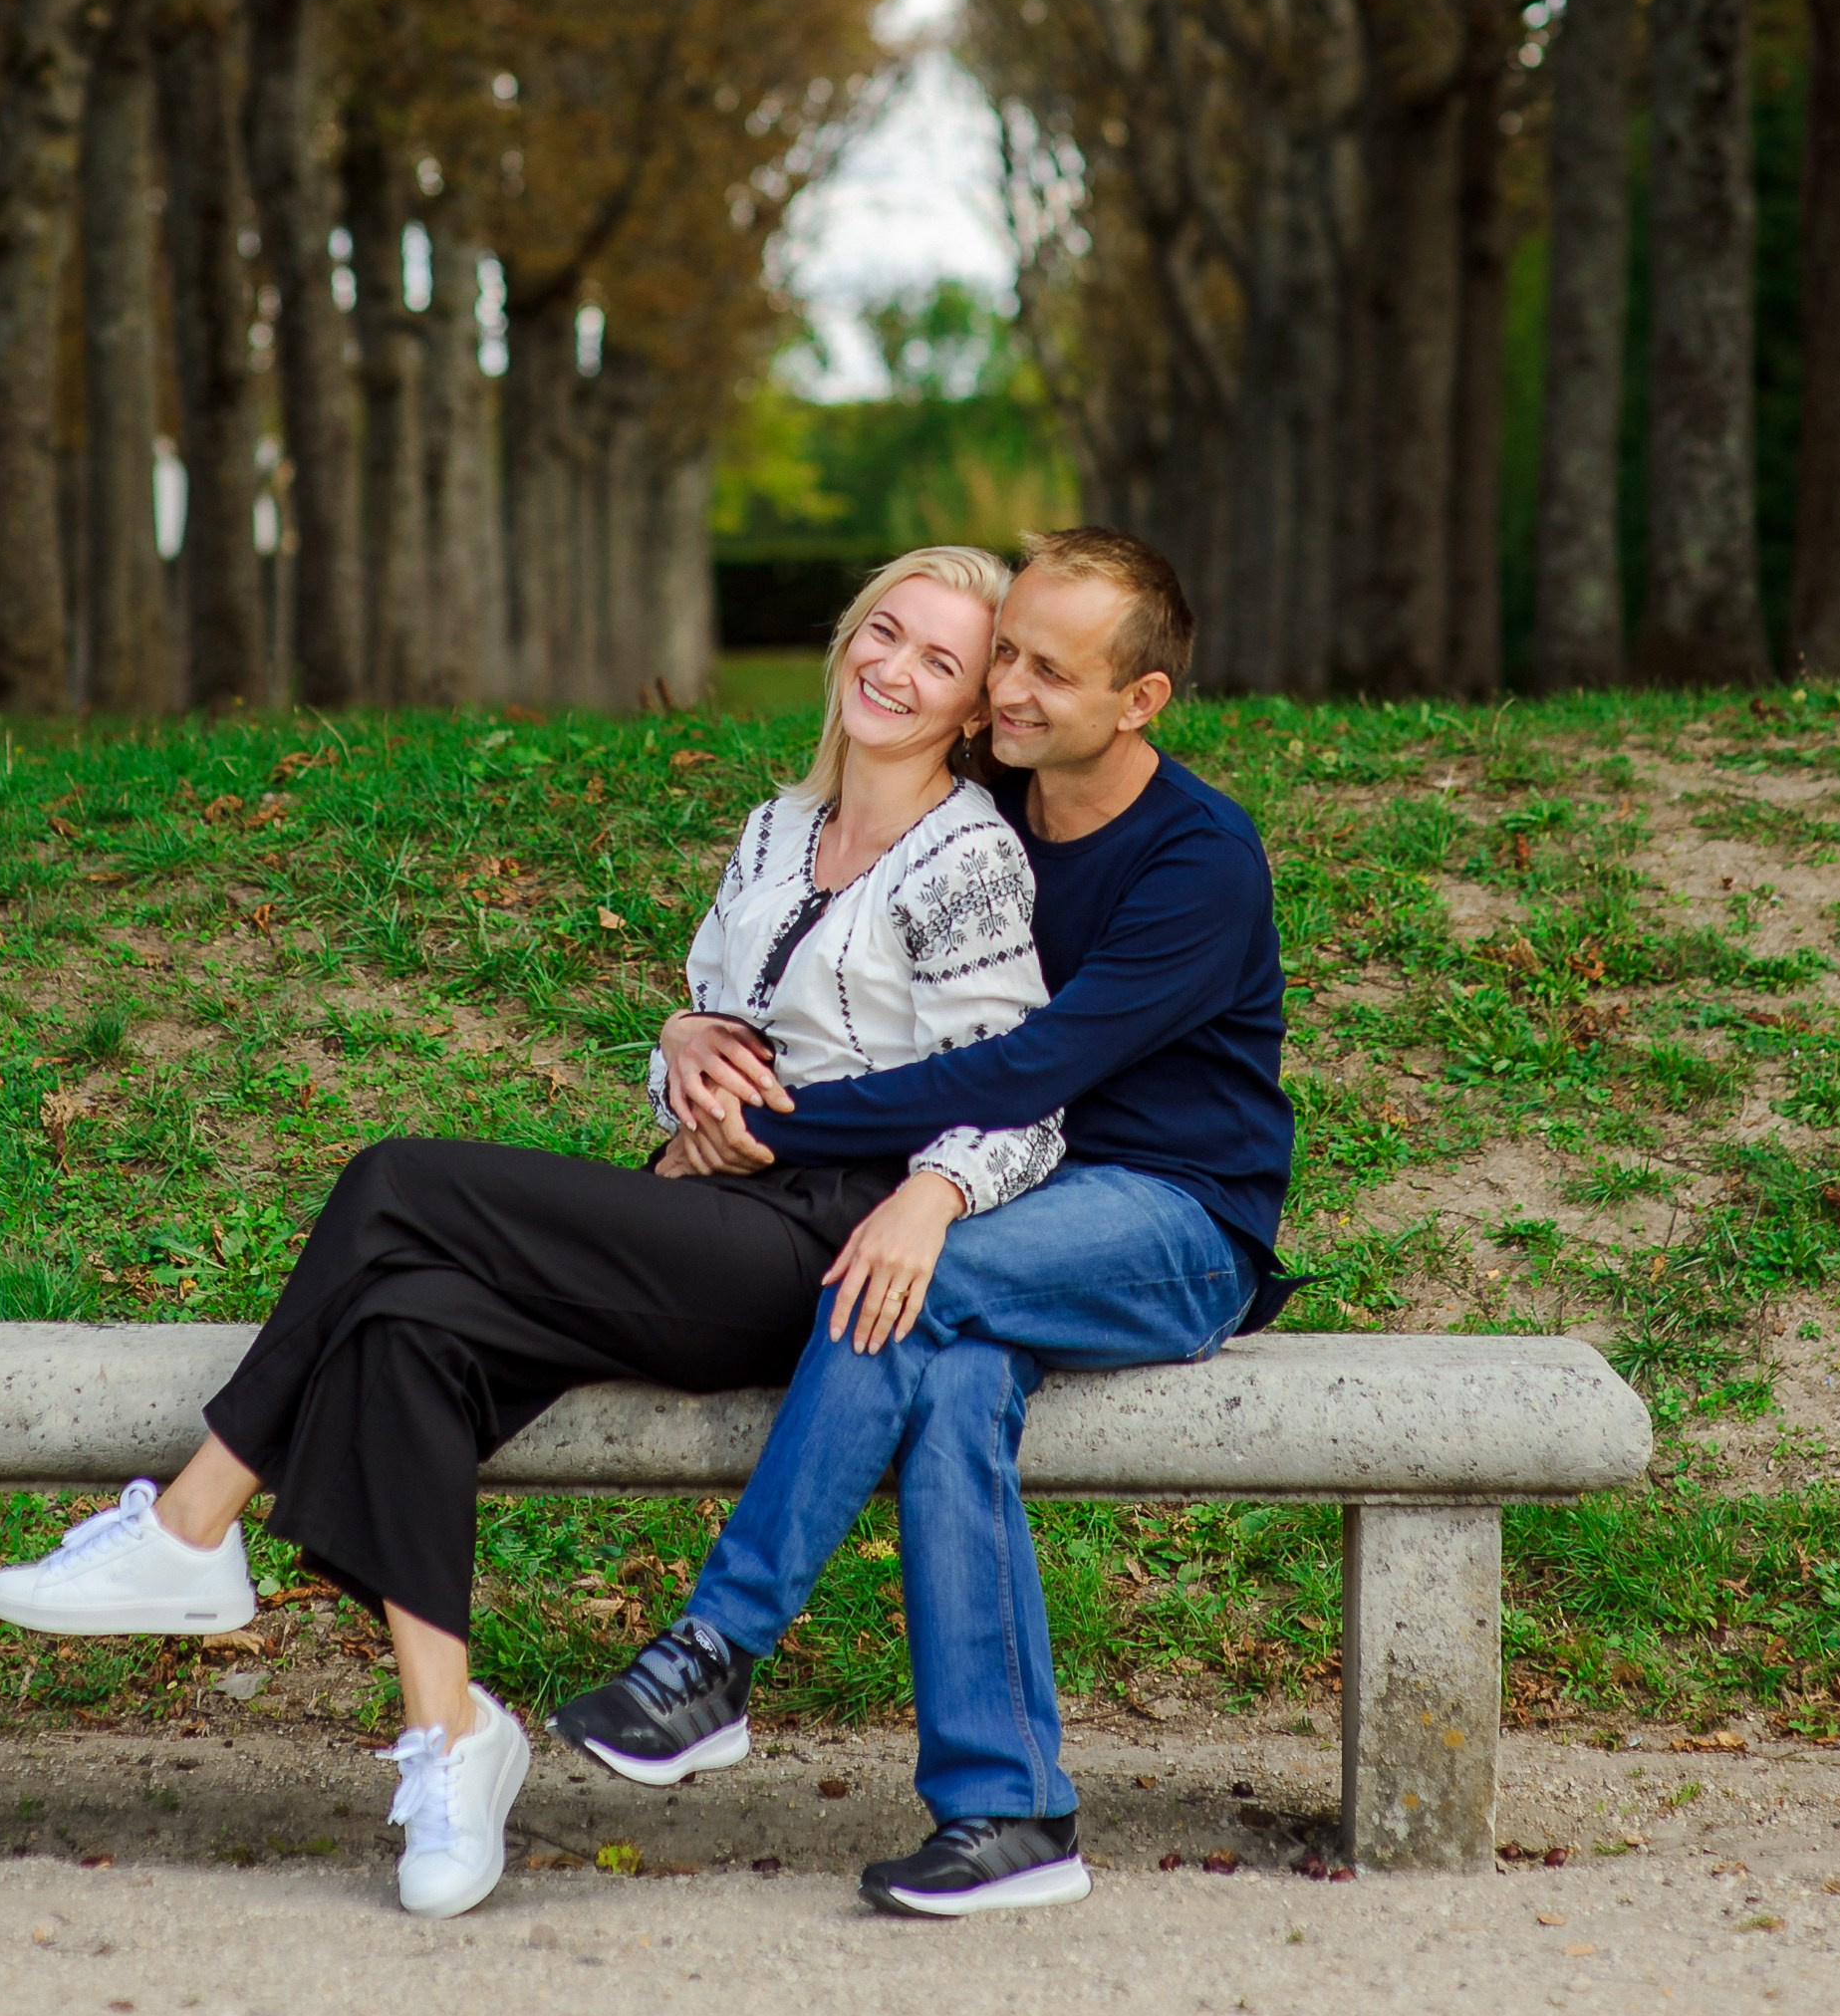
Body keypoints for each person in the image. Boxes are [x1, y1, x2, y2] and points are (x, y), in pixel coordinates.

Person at [0, 544, 1065, 1918]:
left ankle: (192, 1526)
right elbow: (711, 1030)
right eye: (884, 631)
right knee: (402, 1325)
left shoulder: (967, 856)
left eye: (939, 661)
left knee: (397, 1183)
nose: (894, 669)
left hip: (830, 1249)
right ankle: (450, 1739)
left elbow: (1025, 1099)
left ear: (971, 709)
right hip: (706, 1208)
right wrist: (680, 1056)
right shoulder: (778, 826)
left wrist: (931, 1194)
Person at [555, 525, 1295, 1920]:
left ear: (1139, 701)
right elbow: (819, 975)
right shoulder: (987, 815)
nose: (1007, 691)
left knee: (897, 1284)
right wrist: (692, 1038)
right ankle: (1009, 1812)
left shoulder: (1198, 860)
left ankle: (716, 1648)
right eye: (1004, 655)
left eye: (1051, 674)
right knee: (948, 1382)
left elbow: (1026, 1072)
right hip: (1017, 1195)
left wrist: (793, 1141)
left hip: (1172, 1223)